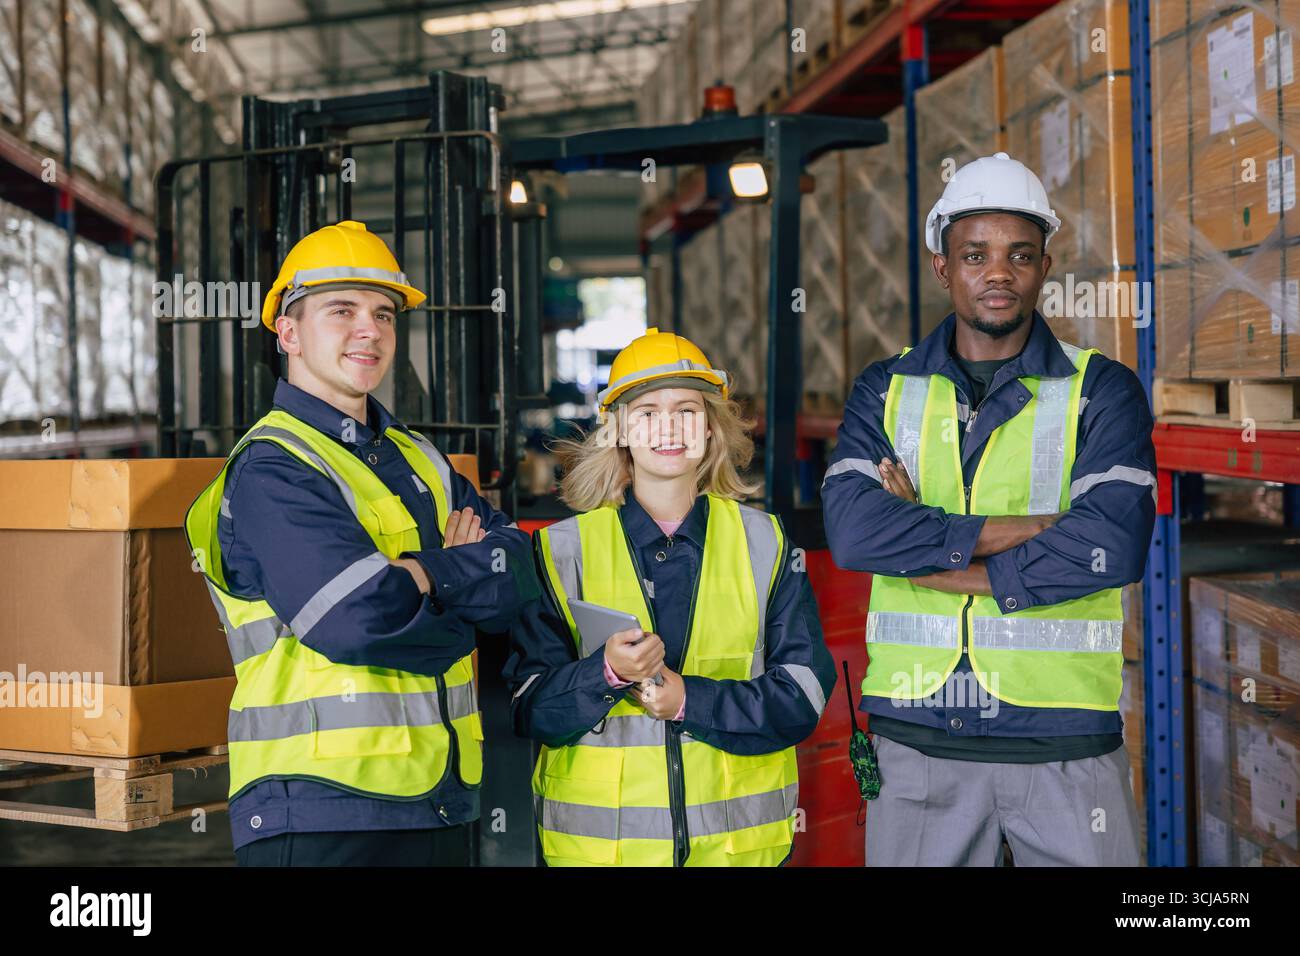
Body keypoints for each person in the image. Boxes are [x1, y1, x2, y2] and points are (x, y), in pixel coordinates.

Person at [823, 152, 1156, 867]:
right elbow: (855, 532)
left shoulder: (1103, 392)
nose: (997, 273)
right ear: (943, 265)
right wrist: (1037, 528)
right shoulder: (885, 389)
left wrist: (940, 564)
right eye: (975, 255)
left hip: (1064, 738)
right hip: (918, 741)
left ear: (1044, 266)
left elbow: (1111, 549)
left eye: (1019, 255)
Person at [186, 220, 538, 866]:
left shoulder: (418, 458)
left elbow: (517, 571)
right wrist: (454, 587)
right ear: (287, 333)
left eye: (383, 313)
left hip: (441, 797)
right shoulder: (273, 466)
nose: (369, 330)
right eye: (341, 310)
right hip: (319, 812)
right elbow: (354, 618)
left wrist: (417, 578)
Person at [504, 328, 835, 866]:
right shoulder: (559, 552)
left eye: (686, 409)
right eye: (648, 412)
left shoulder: (765, 543)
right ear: (617, 430)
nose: (669, 428)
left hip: (736, 853)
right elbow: (529, 710)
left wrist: (688, 702)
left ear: (711, 427)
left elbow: (802, 697)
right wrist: (604, 673)